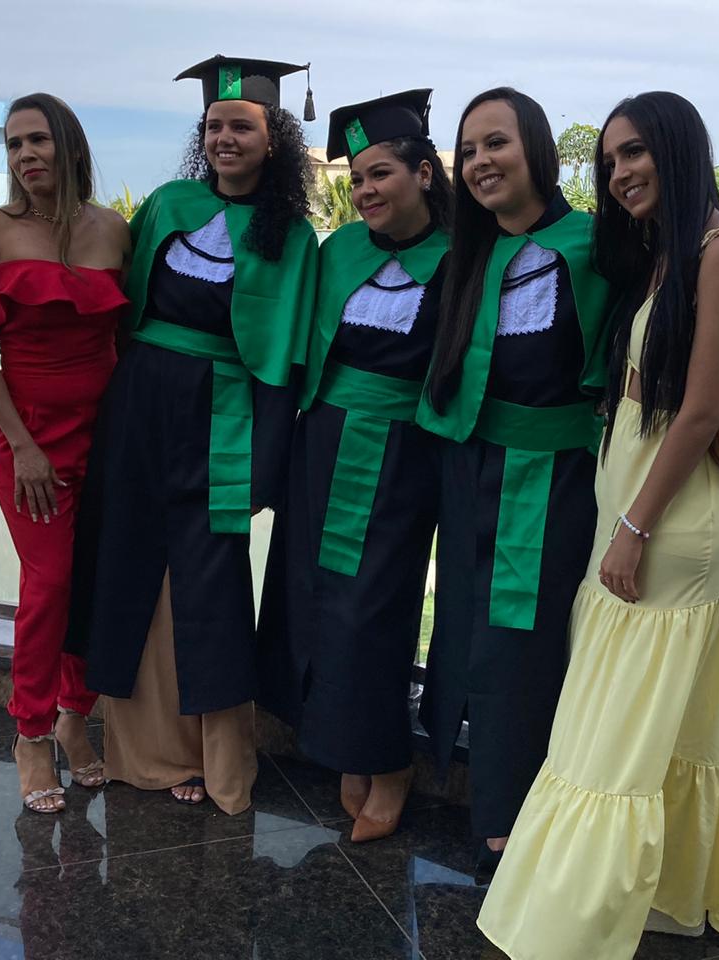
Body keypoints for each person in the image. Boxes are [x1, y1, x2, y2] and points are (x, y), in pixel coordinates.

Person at [477, 91, 719, 958]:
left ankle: (568, 927)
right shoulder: (661, 255)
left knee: (607, 733)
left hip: (677, 521)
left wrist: (634, 530)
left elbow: (699, 412)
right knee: (643, 728)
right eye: (609, 161)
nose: (619, 173)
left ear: (677, 150)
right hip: (637, 501)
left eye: (634, 152)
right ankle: (649, 900)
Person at [66, 56, 318, 814]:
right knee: (129, 564)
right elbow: (121, 309)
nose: (223, 138)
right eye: (213, 125)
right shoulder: (167, 205)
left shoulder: (292, 236)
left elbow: (285, 363)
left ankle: (219, 761)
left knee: (211, 584)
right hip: (140, 405)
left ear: (273, 139)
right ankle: (142, 754)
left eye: (241, 125)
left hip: (225, 418)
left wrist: (267, 466)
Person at [415, 88, 610, 875]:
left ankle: (515, 818)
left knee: (521, 644)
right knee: (465, 631)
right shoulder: (468, 252)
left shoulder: (595, 245)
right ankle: (489, 803)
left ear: (536, 147)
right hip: (468, 468)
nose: (479, 162)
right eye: (467, 151)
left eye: (496, 143)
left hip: (550, 475)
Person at [256, 90, 453, 842]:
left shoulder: (460, 260)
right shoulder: (338, 250)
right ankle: (343, 748)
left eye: (381, 175)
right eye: (359, 178)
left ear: (424, 174)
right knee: (315, 600)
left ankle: (388, 762)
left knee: (376, 610)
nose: (366, 190)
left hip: (403, 452)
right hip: (323, 442)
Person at [0, 93, 130, 813]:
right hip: (30, 442)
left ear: (70, 146)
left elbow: (125, 338)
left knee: (93, 582)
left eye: (38, 140)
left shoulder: (113, 229)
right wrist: (22, 443)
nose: (25, 155)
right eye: (14, 144)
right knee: (49, 583)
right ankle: (29, 732)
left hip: (105, 436)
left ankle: (73, 719)